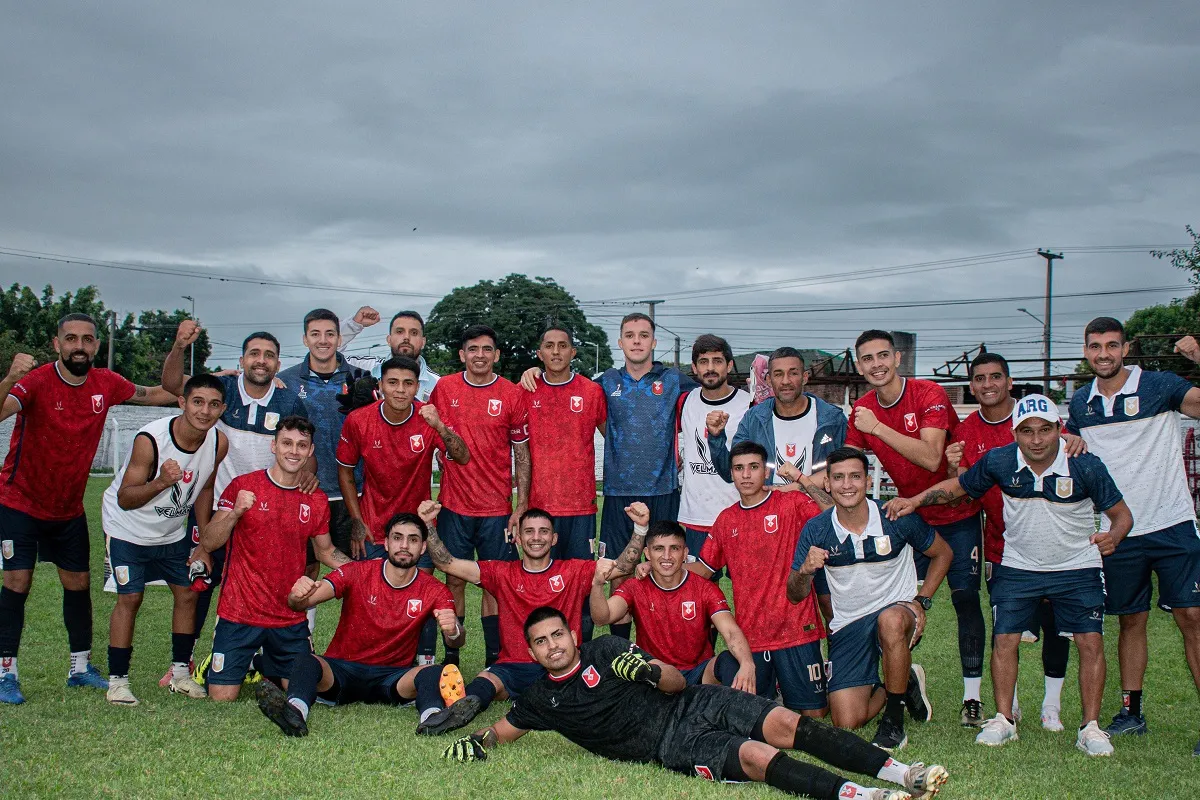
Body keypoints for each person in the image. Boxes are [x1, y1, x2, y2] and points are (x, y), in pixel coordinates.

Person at [443, 607, 949, 800]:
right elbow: (504, 728)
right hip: (673, 743)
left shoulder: (605, 649)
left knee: (788, 724)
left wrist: (643, 668)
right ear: (531, 651)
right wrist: (477, 741)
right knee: (756, 758)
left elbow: (674, 684)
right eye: (542, 642)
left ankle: (899, 772)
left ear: (573, 634)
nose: (553, 645)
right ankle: (863, 797)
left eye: (558, 635)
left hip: (697, 702)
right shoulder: (542, 699)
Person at [886, 394, 1134, 757]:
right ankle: (1004, 719)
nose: (1036, 439)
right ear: (1014, 433)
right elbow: (958, 487)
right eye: (1027, 431)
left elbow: (1122, 514)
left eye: (1045, 430)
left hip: (1077, 566)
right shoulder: (1001, 460)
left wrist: (1113, 537)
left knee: (1090, 643)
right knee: (1005, 640)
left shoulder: (1084, 464)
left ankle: (1090, 727)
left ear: (1058, 430)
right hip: (1019, 565)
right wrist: (917, 501)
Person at [0, 315, 191, 704]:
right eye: (71, 339)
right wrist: (7, 378)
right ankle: (7, 673)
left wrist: (209, 385)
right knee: (17, 586)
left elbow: (160, 394)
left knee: (79, 586)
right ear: (57, 344)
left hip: (68, 509)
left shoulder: (106, 382)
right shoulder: (34, 381)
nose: (79, 346)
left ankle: (81, 668)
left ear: (97, 345)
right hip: (19, 503)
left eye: (87, 339)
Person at [845, 330, 987, 727]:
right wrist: (811, 480)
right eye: (867, 359)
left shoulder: (928, 394)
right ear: (859, 366)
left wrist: (877, 429)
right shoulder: (862, 409)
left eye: (883, 356)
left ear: (898, 358)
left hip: (957, 511)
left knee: (965, 601)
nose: (876, 364)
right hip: (908, 517)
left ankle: (972, 699)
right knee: (892, 610)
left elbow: (930, 458)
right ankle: (904, 679)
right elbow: (847, 464)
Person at [1070, 318, 1200, 751]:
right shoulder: (1080, 402)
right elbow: (1065, 449)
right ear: (1086, 351)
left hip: (1172, 523)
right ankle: (1131, 710)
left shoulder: (1160, 385)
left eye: (1111, 345)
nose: (1103, 354)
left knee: (1193, 618)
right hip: (1118, 532)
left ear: (1125, 348)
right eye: (1095, 346)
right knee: (1131, 621)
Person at [164, 327, 315, 685]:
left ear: (278, 363)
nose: (261, 360)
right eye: (254, 353)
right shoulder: (223, 391)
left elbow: (305, 448)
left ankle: (263, 659)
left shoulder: (289, 401)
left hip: (269, 513)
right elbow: (173, 384)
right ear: (242, 360)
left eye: (268, 355)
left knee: (268, 585)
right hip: (220, 507)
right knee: (198, 583)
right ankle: (181, 665)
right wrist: (180, 345)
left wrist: (310, 473)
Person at [788, 448, 951, 751]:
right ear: (828, 483)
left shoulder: (894, 516)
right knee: (847, 721)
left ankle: (894, 722)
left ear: (867, 480)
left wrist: (921, 601)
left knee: (889, 621)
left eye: (855, 477)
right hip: (849, 622)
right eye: (838, 478)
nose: (847, 485)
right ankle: (905, 680)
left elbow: (943, 554)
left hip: (897, 612)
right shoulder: (817, 529)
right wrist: (806, 571)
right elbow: (794, 594)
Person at [254, 511, 467, 737]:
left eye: (413, 540)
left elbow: (457, 639)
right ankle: (294, 712)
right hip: (342, 671)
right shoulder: (356, 572)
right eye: (397, 537)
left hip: (393, 677)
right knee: (306, 661)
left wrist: (453, 630)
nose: (404, 545)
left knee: (432, 672)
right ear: (385, 543)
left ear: (423, 547)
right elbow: (301, 603)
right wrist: (297, 596)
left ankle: (432, 719)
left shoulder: (434, 589)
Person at [948, 352, 1072, 731]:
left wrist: (1074, 440)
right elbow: (967, 493)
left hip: (1054, 543)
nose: (989, 385)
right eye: (981, 378)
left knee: (1054, 622)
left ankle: (1052, 706)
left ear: (1009, 381)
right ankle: (1010, 703)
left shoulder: (1037, 418)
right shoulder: (966, 432)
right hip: (1003, 546)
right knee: (1008, 627)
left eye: (996, 377)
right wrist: (958, 468)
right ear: (971, 386)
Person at [196, 416, 351, 700]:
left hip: (289, 616)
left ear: (310, 451)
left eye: (302, 445)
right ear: (273, 446)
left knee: (304, 692)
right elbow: (209, 540)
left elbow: (326, 551)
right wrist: (235, 513)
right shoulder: (244, 486)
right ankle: (223, 662)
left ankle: (260, 663)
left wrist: (365, 571)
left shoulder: (315, 499)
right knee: (222, 697)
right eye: (287, 443)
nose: (294, 451)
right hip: (240, 612)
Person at [101, 374, 230, 705]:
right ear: (182, 402)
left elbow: (203, 487)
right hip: (127, 529)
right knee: (130, 599)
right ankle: (117, 681)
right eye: (197, 402)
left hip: (171, 532)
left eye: (214, 404)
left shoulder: (218, 442)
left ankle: (180, 675)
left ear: (222, 409)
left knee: (187, 594)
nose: (205, 411)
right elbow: (126, 498)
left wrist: (203, 541)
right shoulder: (151, 439)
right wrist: (160, 482)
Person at [416, 504, 595, 735]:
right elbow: (446, 563)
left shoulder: (573, 570)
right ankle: (463, 708)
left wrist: (640, 534)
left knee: (573, 683)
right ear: (518, 538)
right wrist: (428, 524)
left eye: (544, 531)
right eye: (529, 531)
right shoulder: (502, 572)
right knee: (486, 680)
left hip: (558, 661)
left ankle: (546, 699)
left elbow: (617, 568)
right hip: (512, 666)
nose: (536, 537)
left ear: (554, 539)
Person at [337, 355, 470, 665]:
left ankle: (423, 662)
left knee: (419, 597)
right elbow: (345, 470)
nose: (400, 390)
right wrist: (356, 521)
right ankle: (364, 660)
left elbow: (462, 456)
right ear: (381, 385)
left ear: (417, 387)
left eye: (408, 383)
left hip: (418, 531)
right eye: (392, 383)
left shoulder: (426, 420)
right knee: (370, 598)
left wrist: (440, 425)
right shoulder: (359, 420)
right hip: (372, 526)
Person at [689, 441, 828, 716]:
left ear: (765, 472)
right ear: (731, 474)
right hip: (752, 636)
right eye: (739, 468)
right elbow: (704, 570)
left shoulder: (791, 504)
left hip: (796, 629)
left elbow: (833, 515)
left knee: (814, 716)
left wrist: (801, 479)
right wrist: (654, 570)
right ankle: (774, 685)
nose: (746, 475)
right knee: (753, 711)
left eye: (753, 467)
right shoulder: (726, 520)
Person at [428, 324, 530, 667]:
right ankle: (451, 659)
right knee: (453, 579)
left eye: (487, 349)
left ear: (497, 355)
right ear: (462, 355)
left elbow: (522, 452)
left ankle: (493, 659)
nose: (480, 355)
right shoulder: (444, 388)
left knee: (494, 585)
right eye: (473, 349)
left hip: (497, 509)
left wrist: (522, 504)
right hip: (455, 506)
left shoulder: (512, 394)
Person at [590, 517, 756, 692]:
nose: (667, 556)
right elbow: (603, 617)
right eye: (659, 549)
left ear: (685, 553)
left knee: (730, 661)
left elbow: (730, 631)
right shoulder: (635, 587)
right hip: (657, 676)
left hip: (699, 673)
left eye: (674, 549)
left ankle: (732, 713)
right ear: (647, 552)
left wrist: (747, 664)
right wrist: (597, 584)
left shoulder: (705, 588)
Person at [525, 325, 607, 641]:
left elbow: (612, 439)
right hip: (540, 509)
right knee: (542, 583)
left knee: (581, 583)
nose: (556, 352)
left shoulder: (591, 392)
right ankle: (544, 651)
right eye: (549, 346)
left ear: (573, 352)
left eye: (563, 346)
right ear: (540, 353)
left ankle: (582, 649)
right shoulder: (527, 390)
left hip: (581, 506)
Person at [278, 308, 375, 559]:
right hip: (304, 489)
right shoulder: (284, 381)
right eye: (315, 334)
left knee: (358, 573)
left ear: (339, 339)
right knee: (303, 569)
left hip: (355, 492)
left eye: (330, 334)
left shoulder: (361, 378)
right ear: (305, 339)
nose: (323, 340)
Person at [709, 346, 846, 507]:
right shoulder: (754, 419)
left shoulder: (832, 419)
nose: (786, 381)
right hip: (768, 515)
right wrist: (716, 438)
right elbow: (731, 472)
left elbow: (845, 469)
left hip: (818, 515)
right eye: (778, 374)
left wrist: (796, 488)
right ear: (768, 380)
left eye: (793, 373)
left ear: (805, 377)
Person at [676, 335, 753, 558]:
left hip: (739, 512)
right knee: (699, 588)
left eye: (717, 361)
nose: (710, 368)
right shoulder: (685, 401)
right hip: (696, 515)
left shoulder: (748, 404)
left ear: (729, 365)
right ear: (694, 367)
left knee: (744, 585)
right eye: (703, 362)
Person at [340, 309, 439, 400]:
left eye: (414, 333)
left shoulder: (438, 383)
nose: (406, 337)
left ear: (423, 342)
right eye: (400, 331)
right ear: (389, 340)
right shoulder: (366, 368)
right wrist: (353, 325)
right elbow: (329, 356)